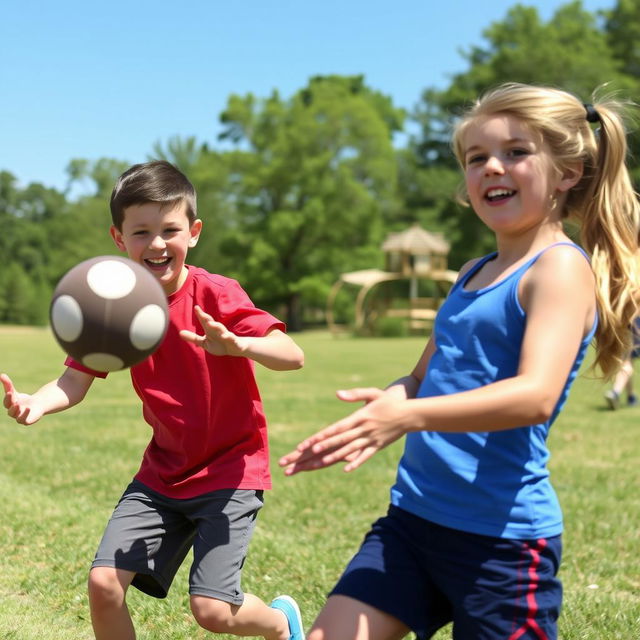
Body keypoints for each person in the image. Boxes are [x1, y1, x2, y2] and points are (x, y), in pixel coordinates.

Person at [280, 83, 640, 640]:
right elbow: (422, 377)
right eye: (477, 158)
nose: (493, 167)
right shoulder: (473, 272)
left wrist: (410, 417)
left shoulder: (559, 270)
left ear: (567, 172)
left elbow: (535, 395)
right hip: (412, 524)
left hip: (501, 545)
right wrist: (389, 405)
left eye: (516, 152)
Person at [1, 160, 305, 640]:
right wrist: (36, 403)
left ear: (194, 232)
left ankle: (280, 623)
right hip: (163, 474)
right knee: (104, 584)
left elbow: (292, 355)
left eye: (170, 229)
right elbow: (72, 382)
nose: (158, 243)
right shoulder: (114, 307)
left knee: (212, 611)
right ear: (119, 239)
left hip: (231, 471)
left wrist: (242, 344)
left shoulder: (216, 293)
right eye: (141, 231)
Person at [604, 315, 640, 409]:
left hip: (629, 329)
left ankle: (625, 395)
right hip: (632, 329)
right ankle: (620, 394)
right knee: (627, 363)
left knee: (627, 363)